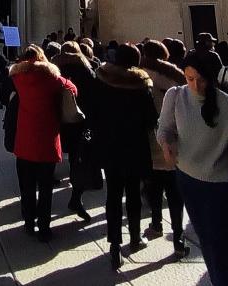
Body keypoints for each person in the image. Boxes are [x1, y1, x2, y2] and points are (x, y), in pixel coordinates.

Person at [157, 51, 228, 286]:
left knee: (218, 242)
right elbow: (164, 129)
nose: (196, 85)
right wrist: (166, 144)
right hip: (189, 179)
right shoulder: (175, 96)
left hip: (220, 182)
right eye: (189, 78)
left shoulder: (225, 103)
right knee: (207, 239)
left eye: (201, 79)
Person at [93, 43, 158, 270]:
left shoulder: (102, 81)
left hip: (110, 147)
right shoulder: (140, 85)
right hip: (134, 147)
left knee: (112, 195)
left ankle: (113, 245)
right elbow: (151, 120)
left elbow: (93, 112)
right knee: (132, 194)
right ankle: (134, 237)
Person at [10, 44, 77, 241]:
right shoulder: (52, 79)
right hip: (47, 139)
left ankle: (29, 222)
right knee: (46, 187)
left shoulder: (18, 78)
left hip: (25, 140)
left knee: (27, 186)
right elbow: (72, 89)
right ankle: (44, 228)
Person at [140, 40, 188, 256]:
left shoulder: (138, 74)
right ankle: (178, 237)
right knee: (174, 191)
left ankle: (156, 222)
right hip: (172, 138)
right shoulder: (174, 77)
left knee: (153, 185)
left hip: (149, 138)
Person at [53, 41, 98, 221]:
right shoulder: (86, 70)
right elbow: (94, 97)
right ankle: (75, 197)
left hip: (56, 122)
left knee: (53, 156)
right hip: (80, 123)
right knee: (78, 160)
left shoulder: (52, 69)